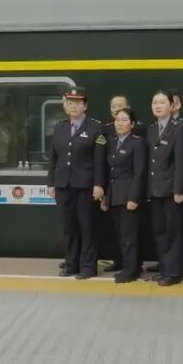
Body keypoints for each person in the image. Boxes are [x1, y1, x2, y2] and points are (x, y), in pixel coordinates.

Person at [47, 87, 105, 280]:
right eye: (70, 102)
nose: (73, 105)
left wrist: (99, 184)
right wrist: (51, 183)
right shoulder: (59, 127)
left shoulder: (95, 128)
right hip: (63, 185)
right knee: (68, 227)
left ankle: (88, 266)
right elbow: (53, 158)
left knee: (87, 227)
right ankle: (71, 264)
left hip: (85, 186)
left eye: (77, 102)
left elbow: (99, 160)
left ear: (85, 105)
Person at [146, 90, 183, 286]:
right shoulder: (151, 129)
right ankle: (165, 267)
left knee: (174, 231)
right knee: (160, 230)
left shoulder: (179, 128)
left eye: (162, 102)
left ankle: (174, 272)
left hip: (172, 189)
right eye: (155, 102)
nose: (158, 105)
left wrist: (179, 189)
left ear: (172, 106)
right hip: (155, 188)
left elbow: (181, 161)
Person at [99, 107, 146, 283]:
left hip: (128, 195)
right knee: (120, 235)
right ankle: (127, 265)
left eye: (124, 120)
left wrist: (134, 198)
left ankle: (131, 270)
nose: (120, 123)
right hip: (114, 195)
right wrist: (106, 196)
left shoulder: (137, 142)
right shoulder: (111, 141)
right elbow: (109, 171)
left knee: (129, 236)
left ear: (132, 124)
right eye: (118, 120)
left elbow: (139, 172)